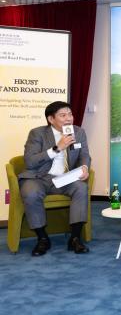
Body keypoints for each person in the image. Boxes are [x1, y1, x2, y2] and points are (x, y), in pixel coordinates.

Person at [18, 101, 91, 256]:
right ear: (51, 119)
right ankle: (42, 238)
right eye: (63, 115)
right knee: (31, 193)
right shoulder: (37, 133)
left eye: (70, 114)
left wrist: (85, 167)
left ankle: (75, 238)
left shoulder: (78, 132)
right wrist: (58, 147)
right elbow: (30, 161)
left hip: (65, 178)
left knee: (81, 188)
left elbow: (84, 155)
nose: (68, 118)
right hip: (38, 177)